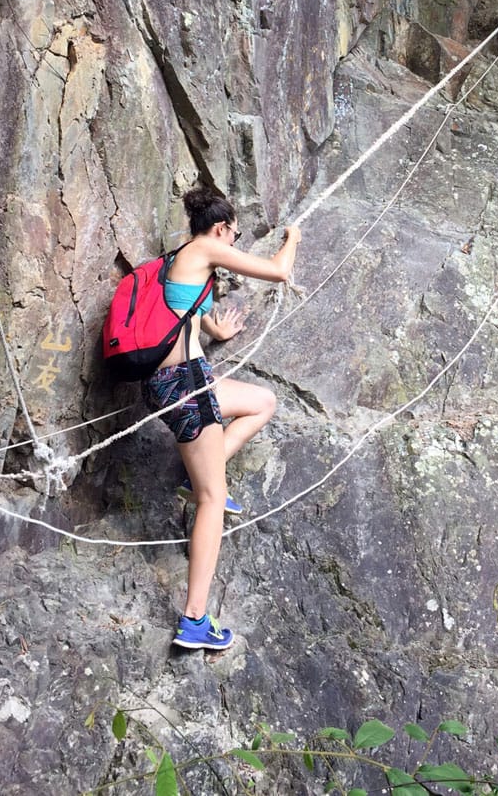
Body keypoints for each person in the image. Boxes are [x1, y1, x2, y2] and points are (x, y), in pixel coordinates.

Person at [142, 186, 301, 651]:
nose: (233, 241)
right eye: (233, 233)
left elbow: (186, 309)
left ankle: (200, 479)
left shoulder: (184, 257)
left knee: (261, 401)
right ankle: (194, 618)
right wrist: (293, 236)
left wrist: (217, 329)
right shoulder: (208, 247)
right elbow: (277, 270)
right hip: (187, 385)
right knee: (215, 500)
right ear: (220, 228)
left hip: (184, 381)